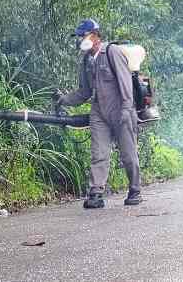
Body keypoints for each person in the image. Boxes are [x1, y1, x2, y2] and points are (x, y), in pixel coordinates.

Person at [56, 19, 142, 209]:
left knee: (128, 154)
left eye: (82, 36)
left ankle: (135, 190)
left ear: (94, 36)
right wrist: (64, 99)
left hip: (120, 109)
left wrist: (127, 110)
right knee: (99, 153)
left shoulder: (112, 52)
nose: (80, 40)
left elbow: (126, 83)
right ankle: (95, 193)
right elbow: (84, 92)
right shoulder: (87, 60)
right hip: (99, 113)